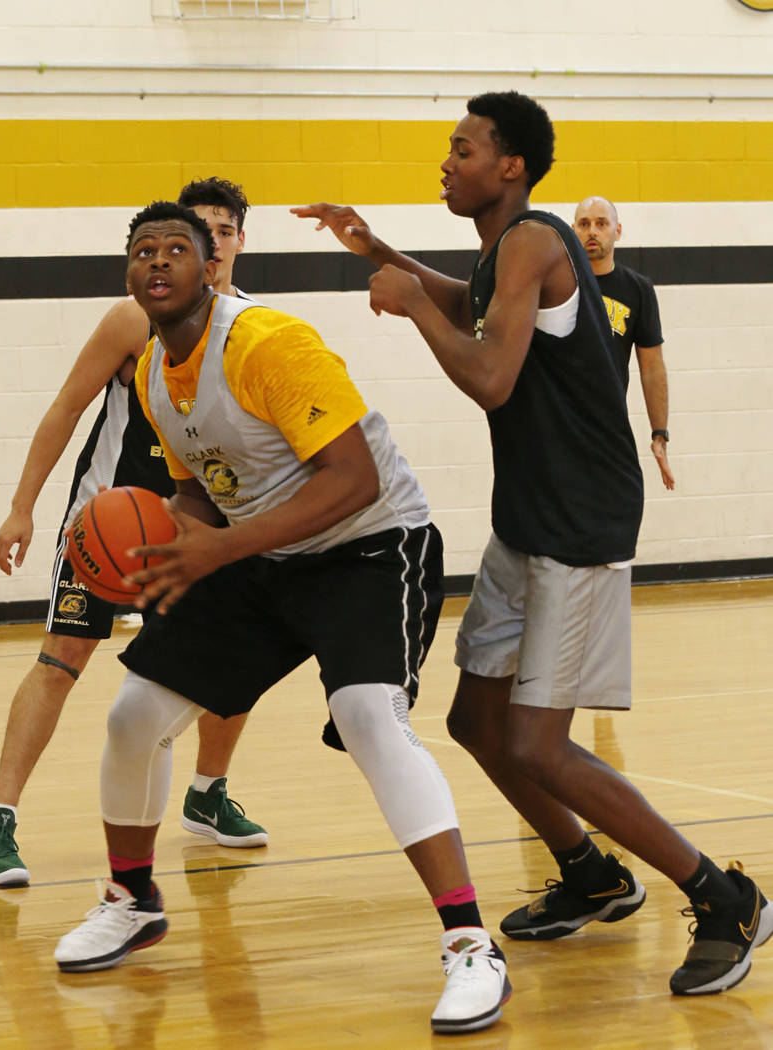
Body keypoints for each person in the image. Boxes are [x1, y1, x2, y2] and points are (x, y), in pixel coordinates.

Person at [291, 91, 771, 997]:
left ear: (510, 165)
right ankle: (590, 873)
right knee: (478, 723)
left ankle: (725, 896)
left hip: (581, 524)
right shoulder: (503, 251)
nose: (447, 160)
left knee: (541, 746)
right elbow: (463, 302)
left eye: (462, 148)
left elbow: (490, 377)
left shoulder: (536, 239)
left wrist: (409, 304)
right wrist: (379, 254)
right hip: (530, 516)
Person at [53, 201, 512, 1035]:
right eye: (142, 252)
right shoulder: (154, 371)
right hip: (264, 554)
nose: (157, 262)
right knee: (134, 714)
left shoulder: (269, 343)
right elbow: (205, 485)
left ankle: (470, 942)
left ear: (209, 268)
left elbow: (353, 481)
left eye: (176, 250)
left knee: (369, 714)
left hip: (371, 547)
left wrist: (217, 551)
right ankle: (133, 897)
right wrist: (166, 539)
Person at [0, 177, 267, 887]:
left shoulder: (256, 328)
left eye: (223, 231)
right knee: (60, 659)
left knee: (234, 660)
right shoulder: (132, 320)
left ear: (236, 243)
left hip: (193, 532)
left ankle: (207, 794)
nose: (210, 244)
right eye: (197, 232)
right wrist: (21, 507)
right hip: (105, 522)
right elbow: (65, 410)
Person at [573, 195, 674, 489]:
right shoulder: (556, 283)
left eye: (601, 224)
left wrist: (659, 433)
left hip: (609, 429)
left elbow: (652, 367)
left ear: (617, 231)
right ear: (573, 231)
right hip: (558, 426)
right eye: (584, 224)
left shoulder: (638, 289)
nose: (592, 231)